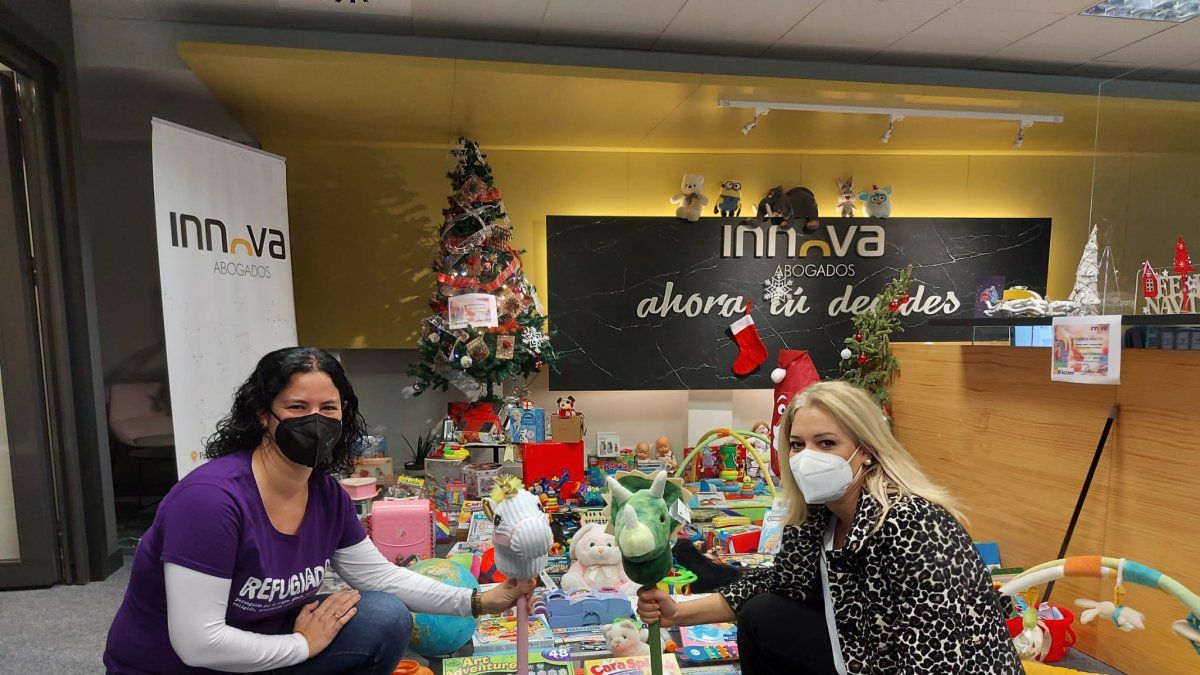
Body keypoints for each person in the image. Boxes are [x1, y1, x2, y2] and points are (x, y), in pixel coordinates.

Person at [104, 347, 535, 674]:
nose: (316, 421)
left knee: (382, 616)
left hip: (264, 641)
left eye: (328, 408)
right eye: (296, 408)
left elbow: (378, 576)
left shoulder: (324, 492)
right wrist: (300, 647)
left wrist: (479, 600)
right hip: (177, 665)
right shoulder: (210, 501)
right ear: (262, 415)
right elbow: (198, 643)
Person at [638, 381, 1021, 674]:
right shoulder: (819, 514)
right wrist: (680, 613)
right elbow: (779, 584)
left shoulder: (913, 524)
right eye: (797, 444)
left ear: (866, 448)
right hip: (861, 652)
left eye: (826, 443)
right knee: (763, 615)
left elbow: (937, 655)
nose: (807, 458)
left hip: (932, 664)